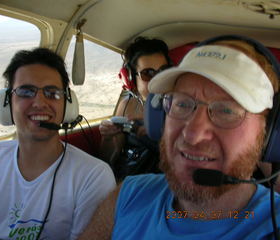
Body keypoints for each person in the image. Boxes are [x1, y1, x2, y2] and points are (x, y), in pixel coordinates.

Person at [77, 35, 280, 239]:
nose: (192, 135)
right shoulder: (129, 194)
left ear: (269, 132)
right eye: (182, 104)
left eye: (226, 111)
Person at [0, 48, 116, 239]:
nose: (40, 102)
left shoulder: (93, 177)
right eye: (26, 92)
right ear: (7, 102)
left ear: (67, 105)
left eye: (52, 93)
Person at [99, 37, 172, 180]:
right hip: (126, 180)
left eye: (163, 71)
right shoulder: (127, 105)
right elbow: (107, 161)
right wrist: (107, 138)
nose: (157, 78)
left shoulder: (180, 106)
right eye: (148, 73)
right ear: (132, 78)